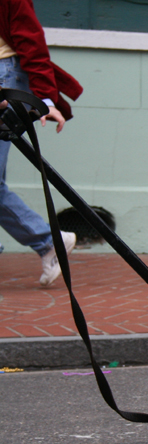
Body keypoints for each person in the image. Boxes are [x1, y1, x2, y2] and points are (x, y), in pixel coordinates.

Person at [0, 0, 83, 285]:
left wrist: (45, 98)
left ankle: (48, 240)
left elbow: (30, 39)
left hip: (5, 74)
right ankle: (49, 241)